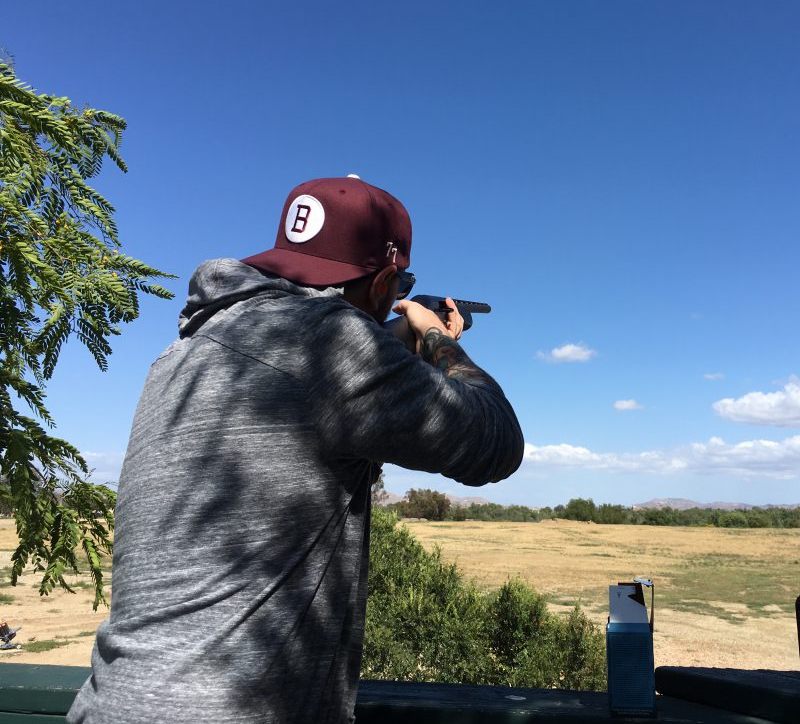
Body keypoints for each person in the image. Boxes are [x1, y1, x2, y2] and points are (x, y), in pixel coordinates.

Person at [68, 176, 524, 723]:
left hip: (111, 704)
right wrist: (435, 338)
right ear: (384, 284)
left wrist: (389, 349)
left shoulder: (182, 351)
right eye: (401, 283)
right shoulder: (331, 343)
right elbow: (496, 441)